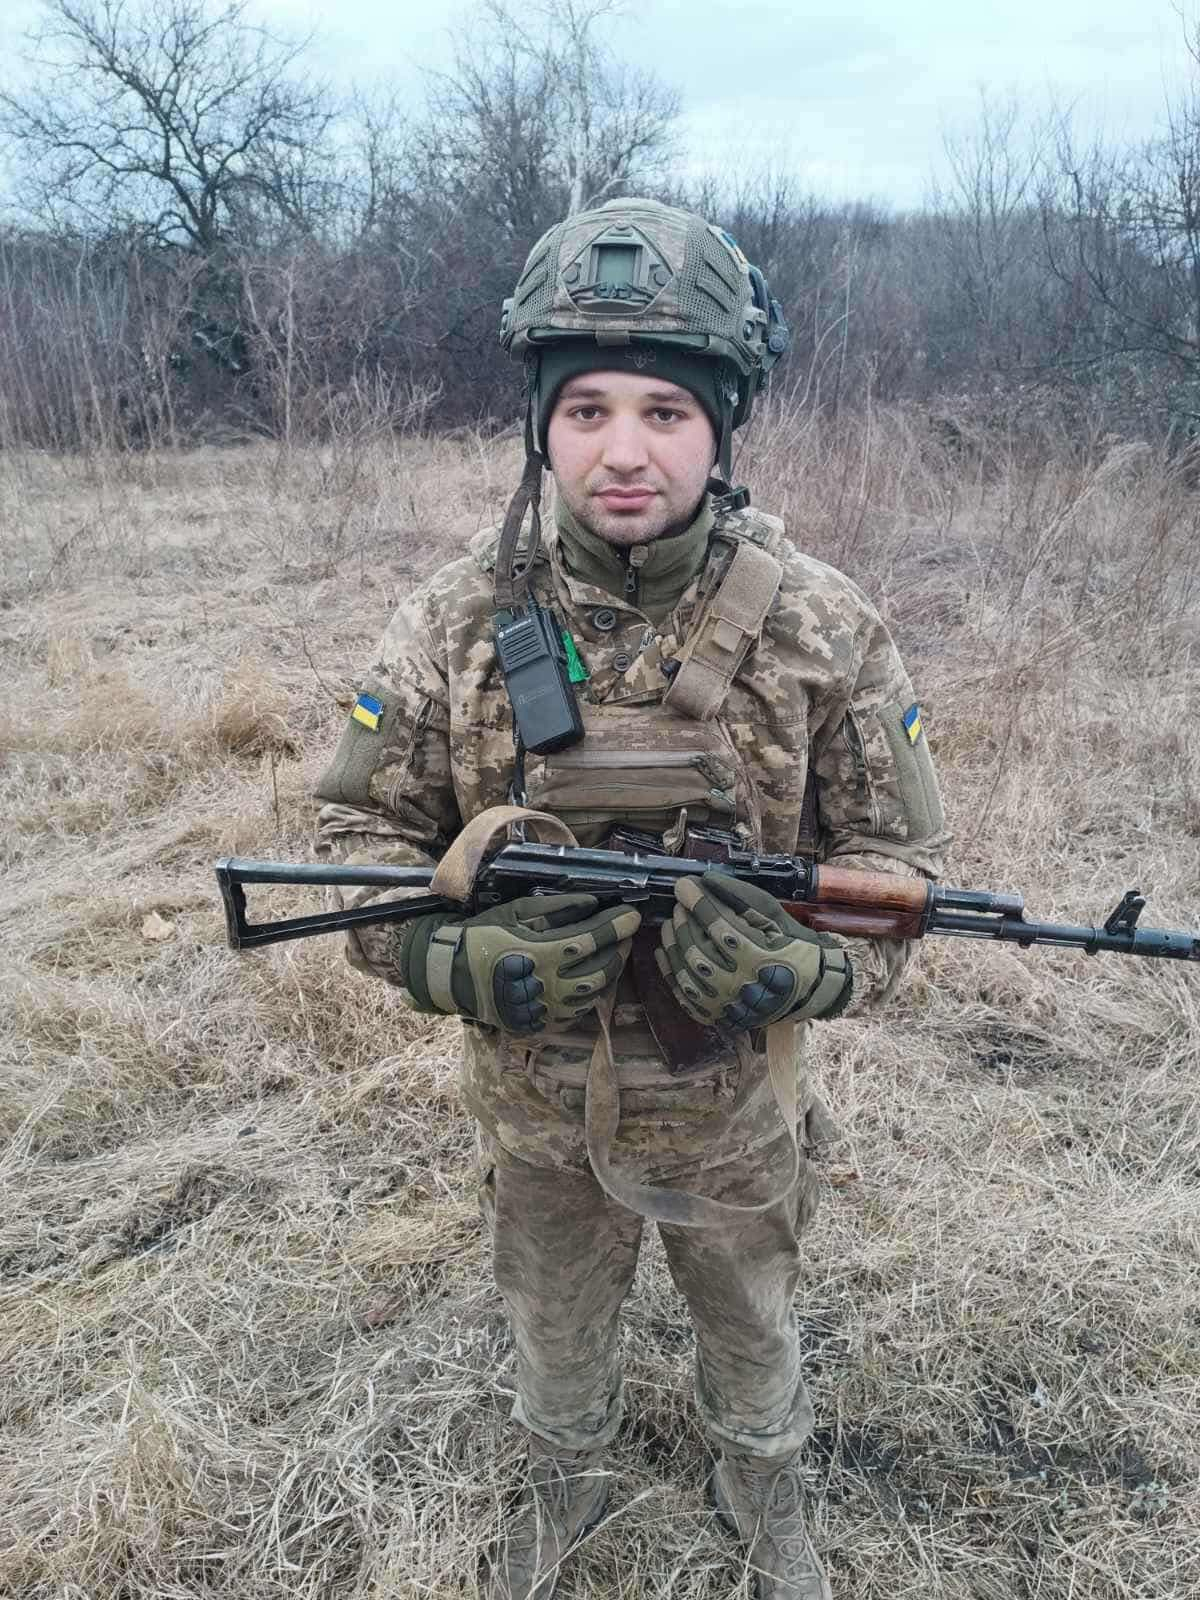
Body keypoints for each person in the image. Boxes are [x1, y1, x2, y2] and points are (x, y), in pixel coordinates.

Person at [312, 197, 948, 1600]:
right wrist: (441, 961)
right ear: (540, 425)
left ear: (723, 429)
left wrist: (815, 972)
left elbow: (901, 873)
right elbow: (353, 841)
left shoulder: (822, 626)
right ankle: (566, 1482)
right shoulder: (456, 618)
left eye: (667, 412)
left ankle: (763, 1489)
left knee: (753, 1321)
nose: (623, 451)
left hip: (732, 1103)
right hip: (536, 1105)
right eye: (586, 408)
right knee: (552, 1323)